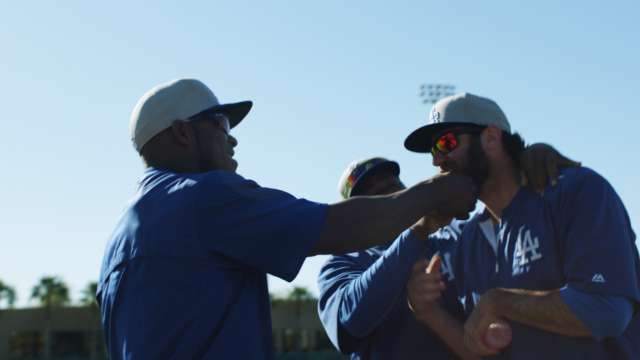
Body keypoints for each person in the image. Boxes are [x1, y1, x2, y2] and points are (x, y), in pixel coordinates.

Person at [96, 78, 478, 360]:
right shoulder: (203, 197)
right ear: (182, 132)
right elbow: (338, 227)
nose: (232, 140)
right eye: (221, 125)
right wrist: (433, 194)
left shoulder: (120, 237)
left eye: (392, 185)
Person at [404, 92, 640, 359]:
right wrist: (429, 312)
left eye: (447, 142)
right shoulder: (463, 240)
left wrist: (498, 302)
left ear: (491, 138)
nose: (437, 160)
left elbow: (606, 311)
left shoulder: (576, 191)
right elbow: (478, 351)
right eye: (434, 150)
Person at [318, 149, 581, 360]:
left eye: (394, 185)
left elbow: (504, 211)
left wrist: (525, 161)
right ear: (356, 212)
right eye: (373, 194)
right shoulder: (342, 264)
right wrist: (414, 234)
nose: (389, 195)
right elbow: (348, 326)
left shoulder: (455, 236)